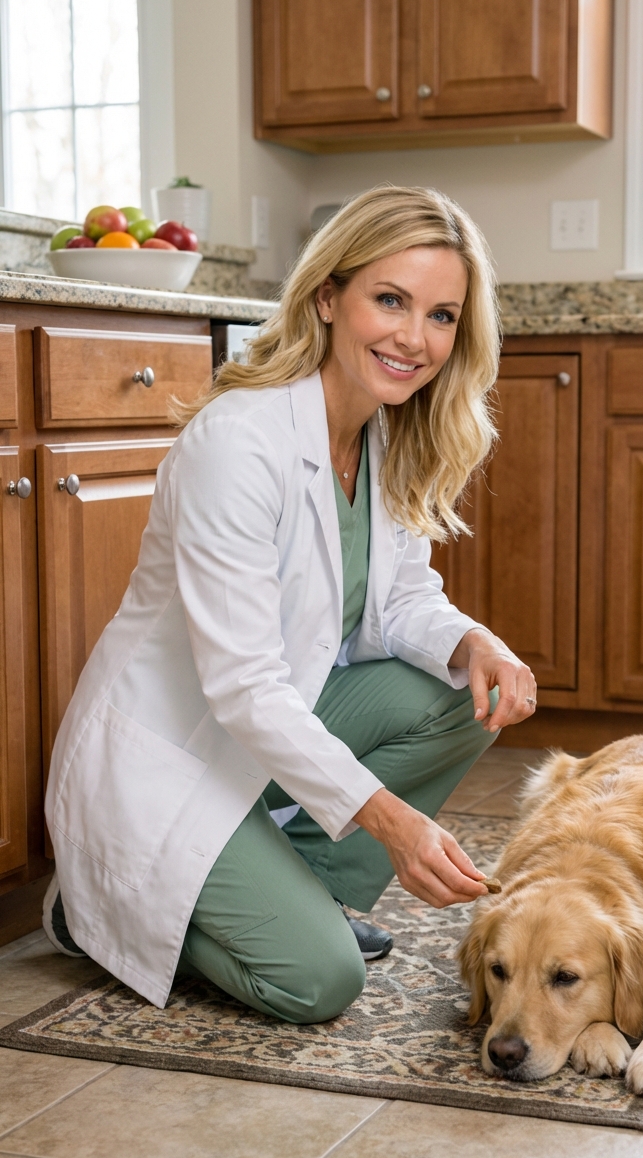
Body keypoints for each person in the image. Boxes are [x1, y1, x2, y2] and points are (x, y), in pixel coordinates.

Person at [42, 185, 537, 1023]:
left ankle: (306, 883)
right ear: (327, 298)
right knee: (320, 982)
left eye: (442, 316)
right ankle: (92, 918)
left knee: (461, 695)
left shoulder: (384, 434)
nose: (415, 339)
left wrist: (475, 643)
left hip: (267, 731)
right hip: (173, 758)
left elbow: (400, 598)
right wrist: (389, 822)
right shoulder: (239, 441)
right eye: (390, 300)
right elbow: (243, 688)